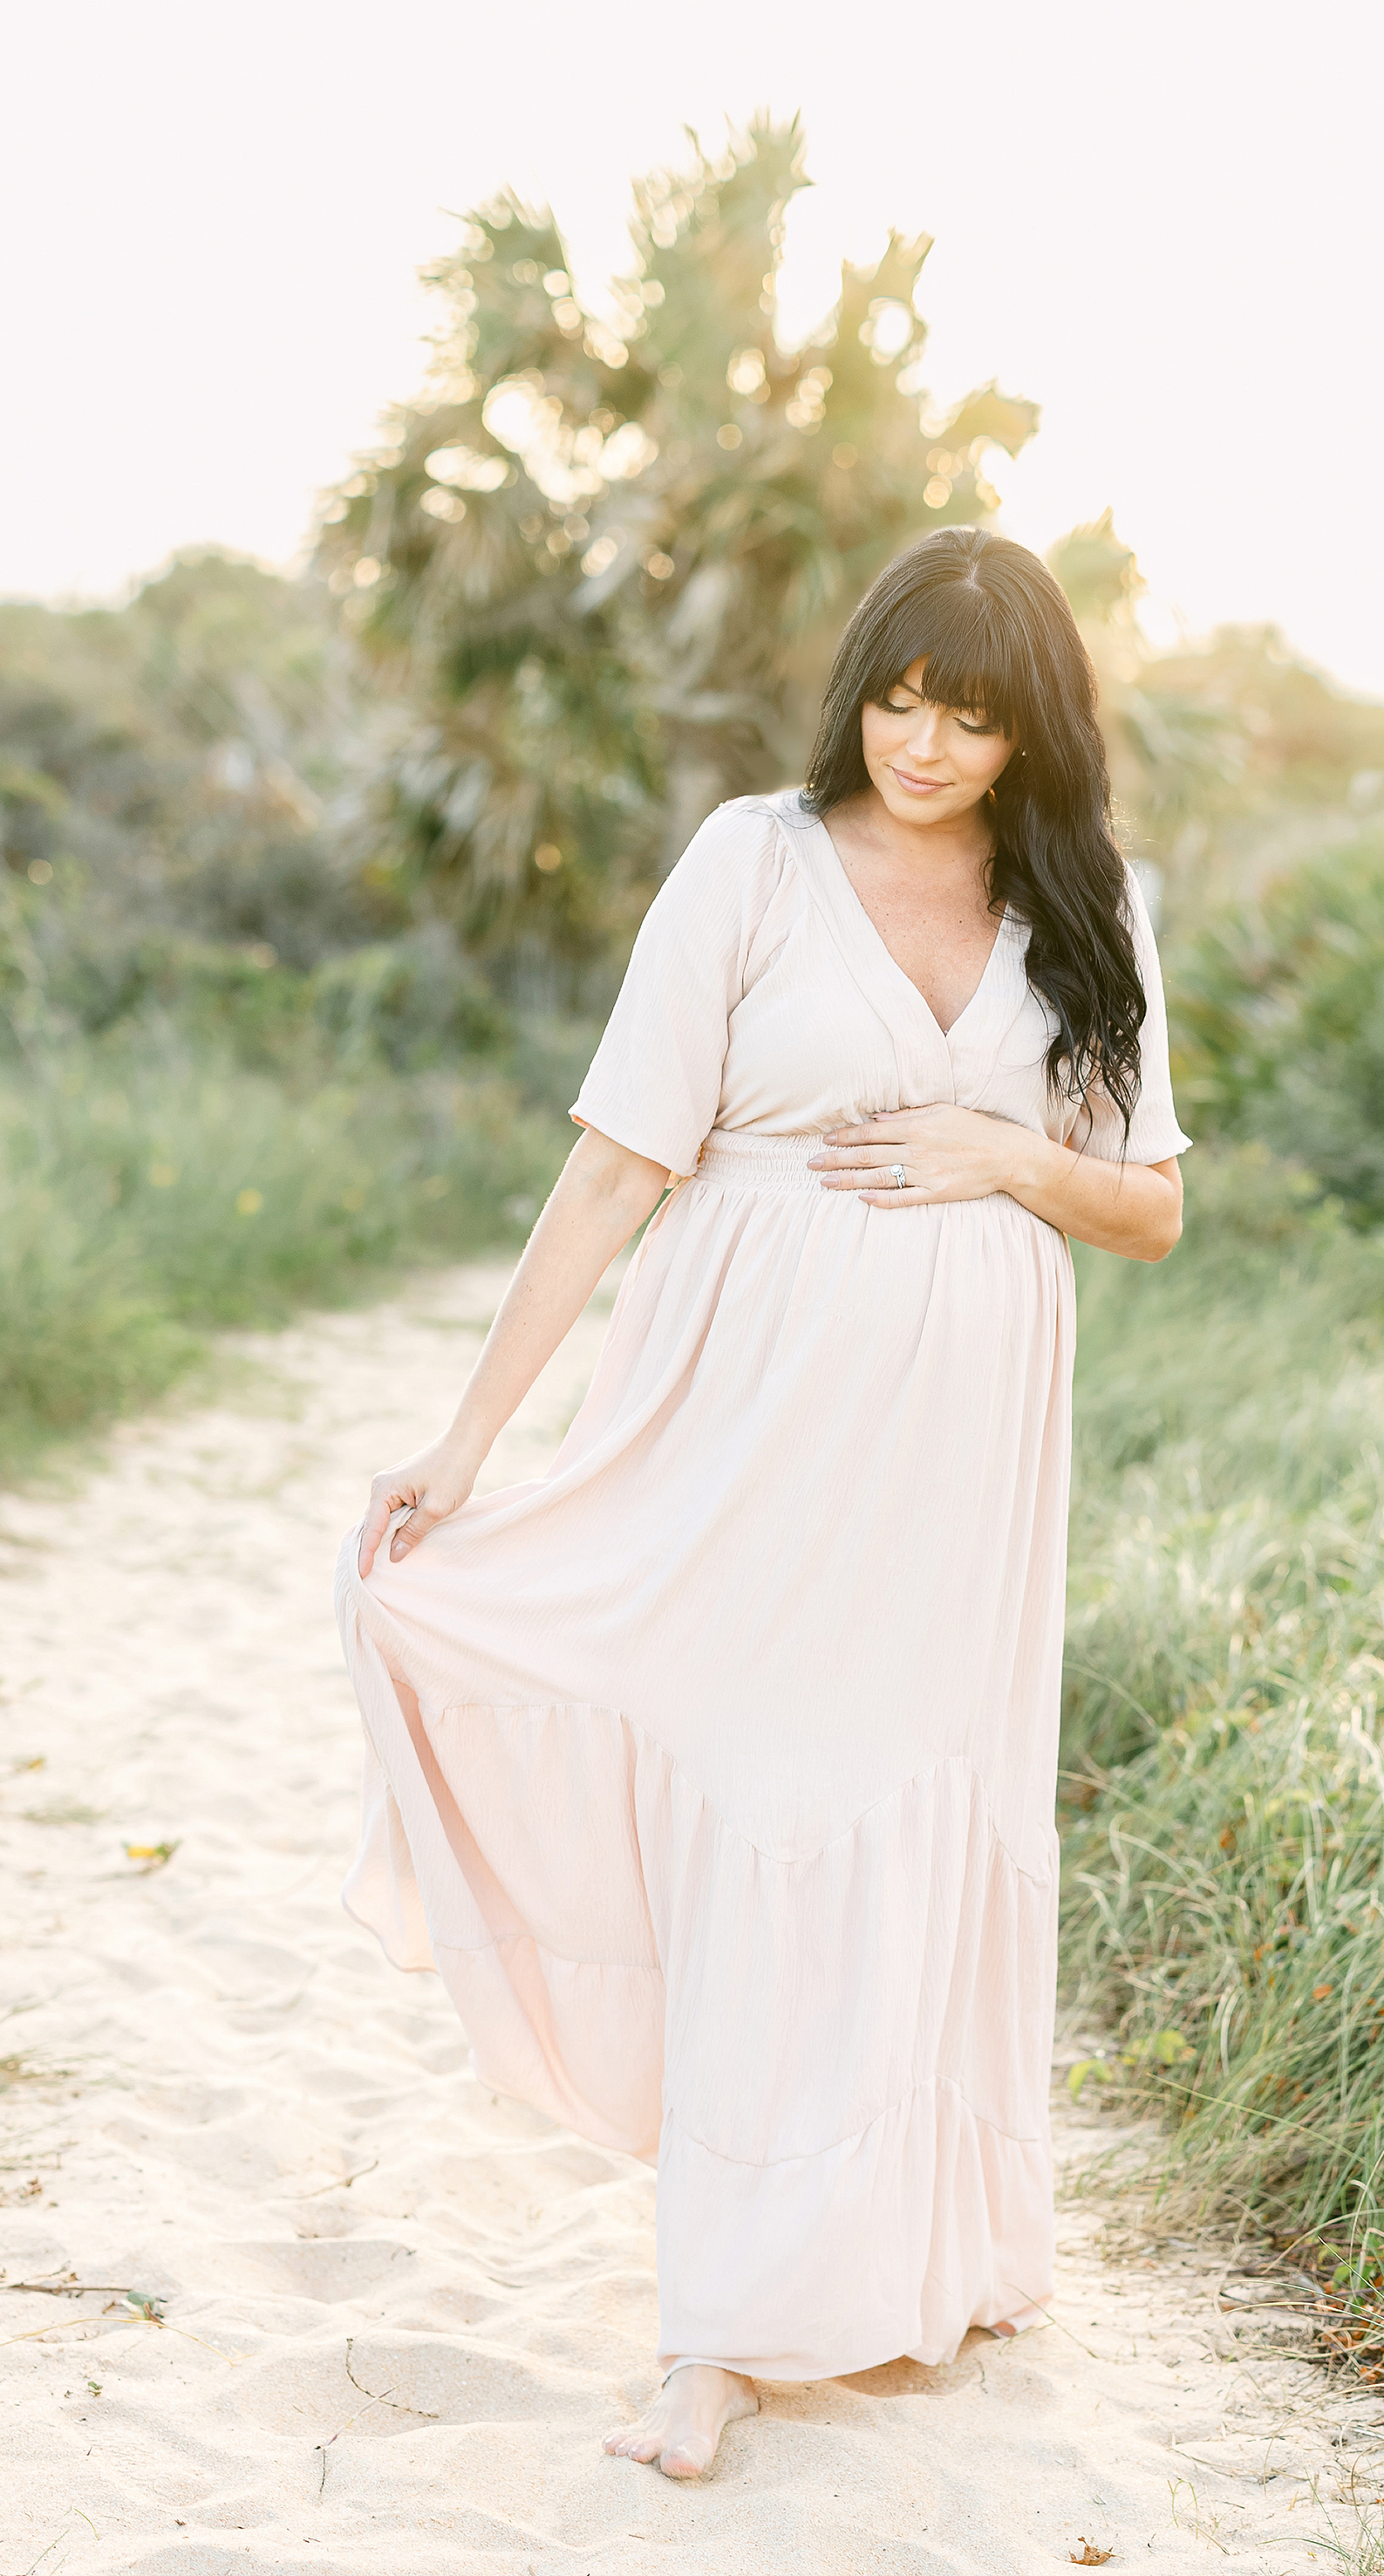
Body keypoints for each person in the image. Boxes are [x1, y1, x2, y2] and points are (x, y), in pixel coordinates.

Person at [335, 524, 1189, 2480]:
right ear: (856, 692)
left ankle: (918, 2260)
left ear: (1026, 727)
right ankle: (717, 2330)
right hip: (748, 1430)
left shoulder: (1091, 906)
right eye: (898, 698)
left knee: (914, 1818)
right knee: (756, 1822)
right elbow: (620, 1161)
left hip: (962, 1474)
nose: (923, 743)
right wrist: (476, 1438)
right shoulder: (750, 862)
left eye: (970, 716)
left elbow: (1148, 1204)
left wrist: (1000, 1151)